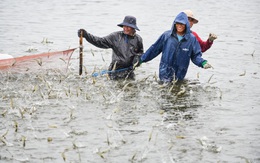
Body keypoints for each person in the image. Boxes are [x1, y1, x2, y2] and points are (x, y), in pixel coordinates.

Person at [138, 12, 212, 84]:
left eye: (182, 24)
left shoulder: (192, 39)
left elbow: (195, 56)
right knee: (165, 90)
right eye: (178, 23)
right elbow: (154, 50)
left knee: (178, 87)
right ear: (174, 24)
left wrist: (202, 62)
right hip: (165, 71)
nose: (179, 26)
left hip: (180, 72)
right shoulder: (166, 36)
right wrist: (142, 59)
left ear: (186, 25)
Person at [78, 15, 143, 80]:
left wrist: (137, 58)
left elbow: (140, 52)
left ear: (133, 28)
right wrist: (86, 35)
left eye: (128, 27)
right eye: (124, 26)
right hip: (114, 71)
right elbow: (100, 41)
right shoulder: (115, 37)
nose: (125, 28)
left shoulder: (138, 39)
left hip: (129, 72)